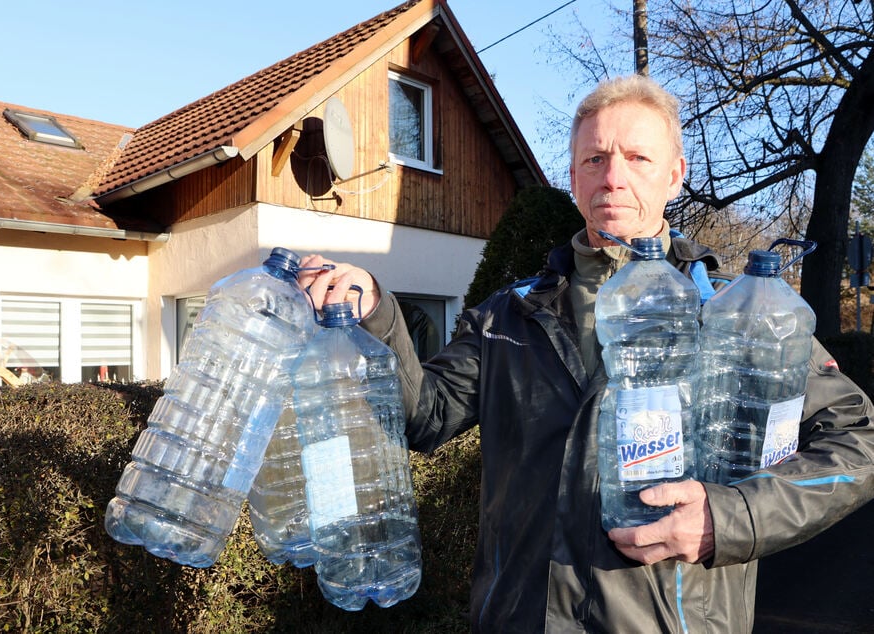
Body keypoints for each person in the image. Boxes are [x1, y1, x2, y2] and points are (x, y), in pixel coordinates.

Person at [297, 74, 874, 632]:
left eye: (637, 158)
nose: (613, 177)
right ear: (573, 176)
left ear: (675, 176)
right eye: (595, 159)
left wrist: (729, 518)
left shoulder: (740, 312)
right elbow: (423, 416)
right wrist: (372, 309)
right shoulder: (508, 315)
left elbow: (859, 440)